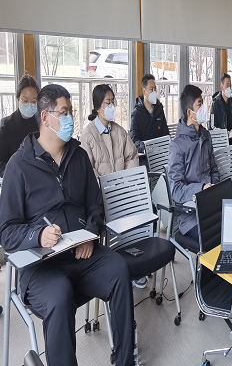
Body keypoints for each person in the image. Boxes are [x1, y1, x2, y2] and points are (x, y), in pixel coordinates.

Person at [0, 84, 134, 366]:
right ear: (45, 117)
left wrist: (90, 234)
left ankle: (125, 360)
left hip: (82, 254)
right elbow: (7, 232)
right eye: (64, 112)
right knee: (60, 294)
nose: (71, 117)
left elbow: (95, 205)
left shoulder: (78, 156)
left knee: (119, 268)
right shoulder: (18, 166)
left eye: (71, 111)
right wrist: (38, 235)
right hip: (41, 267)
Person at [168, 85, 220, 243]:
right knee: (217, 237)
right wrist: (201, 188)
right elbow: (176, 190)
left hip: (211, 205)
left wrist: (213, 188)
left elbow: (214, 170)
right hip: (190, 215)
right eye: (199, 104)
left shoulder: (206, 135)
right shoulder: (177, 145)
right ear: (189, 112)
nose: (204, 108)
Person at [80, 84, 139, 179]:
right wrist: (104, 185)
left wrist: (127, 181)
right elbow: (87, 169)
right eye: (108, 102)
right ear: (97, 107)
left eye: (113, 102)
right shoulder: (87, 136)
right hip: (101, 188)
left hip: (123, 185)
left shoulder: (120, 132)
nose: (111, 106)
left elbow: (132, 157)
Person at [0, 74, 40, 177]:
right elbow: (1, 163)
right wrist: (17, 175)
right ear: (18, 100)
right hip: (15, 178)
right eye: (25, 101)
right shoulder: (6, 125)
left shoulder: (42, 123)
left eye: (33, 101)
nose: (30, 104)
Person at [129, 73, 170, 153]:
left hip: (160, 154)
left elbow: (166, 134)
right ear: (144, 92)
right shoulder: (137, 114)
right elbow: (134, 140)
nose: (154, 92)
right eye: (151, 89)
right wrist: (146, 147)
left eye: (155, 89)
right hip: (144, 155)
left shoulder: (159, 110)